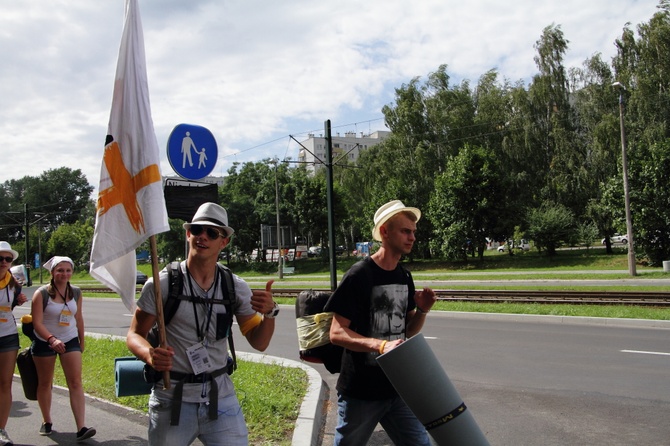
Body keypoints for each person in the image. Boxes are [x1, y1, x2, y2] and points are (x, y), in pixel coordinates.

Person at [127, 202, 278, 446]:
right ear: (188, 234)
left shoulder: (235, 287)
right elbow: (135, 334)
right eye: (197, 230)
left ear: (224, 242)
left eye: (212, 233)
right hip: (172, 398)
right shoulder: (162, 284)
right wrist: (150, 354)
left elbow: (259, 343)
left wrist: (270, 314)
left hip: (221, 398)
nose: (202, 237)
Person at [324, 200, 437, 445]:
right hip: (361, 392)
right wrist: (380, 346)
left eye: (414, 232)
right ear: (385, 232)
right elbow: (336, 333)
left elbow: (407, 330)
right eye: (406, 231)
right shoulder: (359, 275)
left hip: (397, 387)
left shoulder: (404, 275)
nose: (412, 237)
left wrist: (422, 310)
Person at [30, 256, 96, 442]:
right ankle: (47, 420)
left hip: (69, 339)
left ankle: (81, 427)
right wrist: (51, 339)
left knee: (75, 382)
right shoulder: (41, 294)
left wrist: (81, 341)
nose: (64, 274)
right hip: (45, 340)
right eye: (60, 270)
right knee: (45, 383)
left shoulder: (76, 292)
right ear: (52, 272)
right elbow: (37, 323)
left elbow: (79, 318)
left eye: (68, 270)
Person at [0, 241, 27, 446]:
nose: (3, 262)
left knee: (5, 383)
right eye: (0, 258)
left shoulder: (14, 283)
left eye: (7, 259)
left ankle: (1, 430)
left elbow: (10, 306)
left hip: (8, 336)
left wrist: (19, 301)